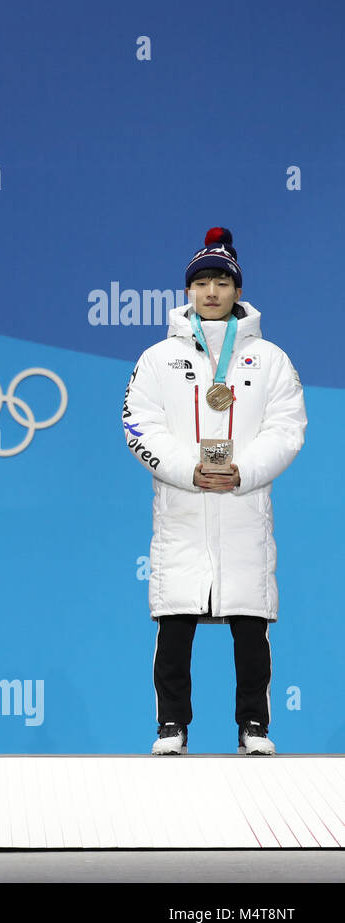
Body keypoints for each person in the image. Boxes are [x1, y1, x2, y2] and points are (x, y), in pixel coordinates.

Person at [122, 227, 305, 755]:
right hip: (182, 509)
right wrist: (189, 470)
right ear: (186, 292)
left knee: (250, 626)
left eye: (221, 282)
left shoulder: (270, 359)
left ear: (237, 291)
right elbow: (138, 425)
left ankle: (254, 727)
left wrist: (243, 471)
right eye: (200, 282)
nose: (210, 292)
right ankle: (171, 727)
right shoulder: (157, 358)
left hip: (244, 510)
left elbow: (287, 428)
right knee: (175, 624)